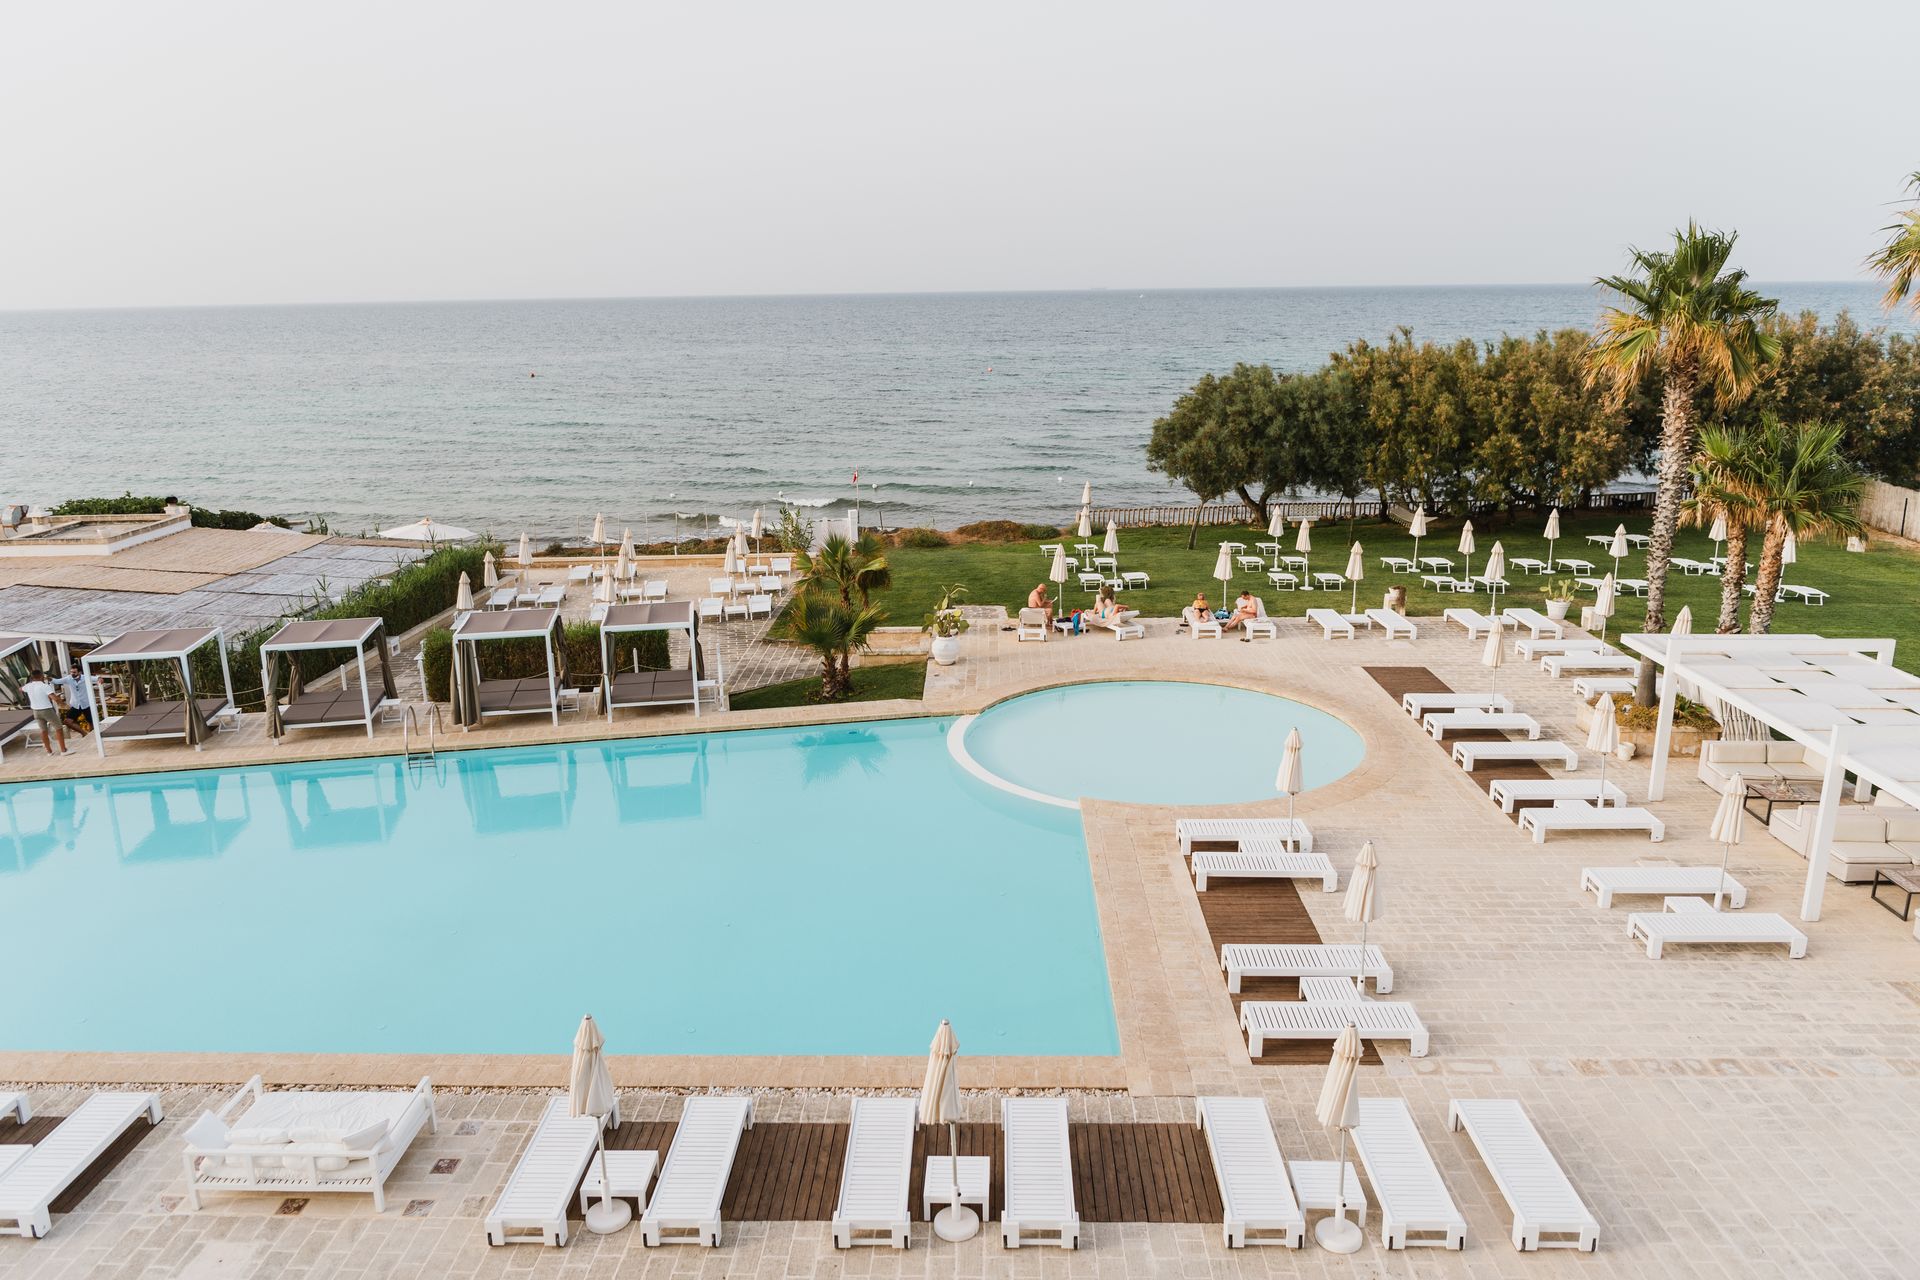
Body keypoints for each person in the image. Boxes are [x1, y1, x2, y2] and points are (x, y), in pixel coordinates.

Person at [20, 669, 71, 755]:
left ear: (32, 677)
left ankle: (49, 752)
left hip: (36, 711)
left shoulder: (28, 686)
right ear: (41, 676)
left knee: (43, 731)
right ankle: (63, 750)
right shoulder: (44, 686)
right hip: (46, 710)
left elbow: (20, 689)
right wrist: (63, 704)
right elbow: (54, 698)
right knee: (58, 728)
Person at [56, 661, 93, 735]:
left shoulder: (85, 677)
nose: (72, 674)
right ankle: (84, 734)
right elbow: (57, 681)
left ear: (79, 672)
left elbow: (95, 678)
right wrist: (50, 679)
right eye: (71, 672)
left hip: (87, 704)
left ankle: (92, 736)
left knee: (92, 723)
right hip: (76, 705)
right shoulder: (68, 678)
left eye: (74, 672)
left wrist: (99, 678)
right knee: (67, 721)